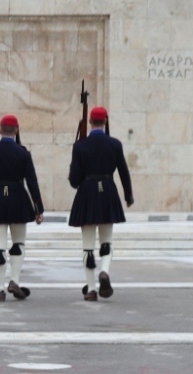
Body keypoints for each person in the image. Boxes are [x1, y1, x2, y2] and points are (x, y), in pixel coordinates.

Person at [68, 106, 133, 301]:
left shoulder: (80, 146)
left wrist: (74, 174)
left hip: (87, 191)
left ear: (90, 122)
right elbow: (123, 172)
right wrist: (128, 195)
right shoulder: (115, 144)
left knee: (88, 247)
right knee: (106, 241)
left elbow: (74, 180)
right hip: (107, 190)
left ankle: (91, 288)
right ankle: (104, 271)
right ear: (105, 122)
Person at [0, 114, 44, 301]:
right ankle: (14, 280)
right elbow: (32, 182)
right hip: (18, 198)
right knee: (18, 244)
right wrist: (39, 208)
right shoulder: (23, 153)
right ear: (16, 130)